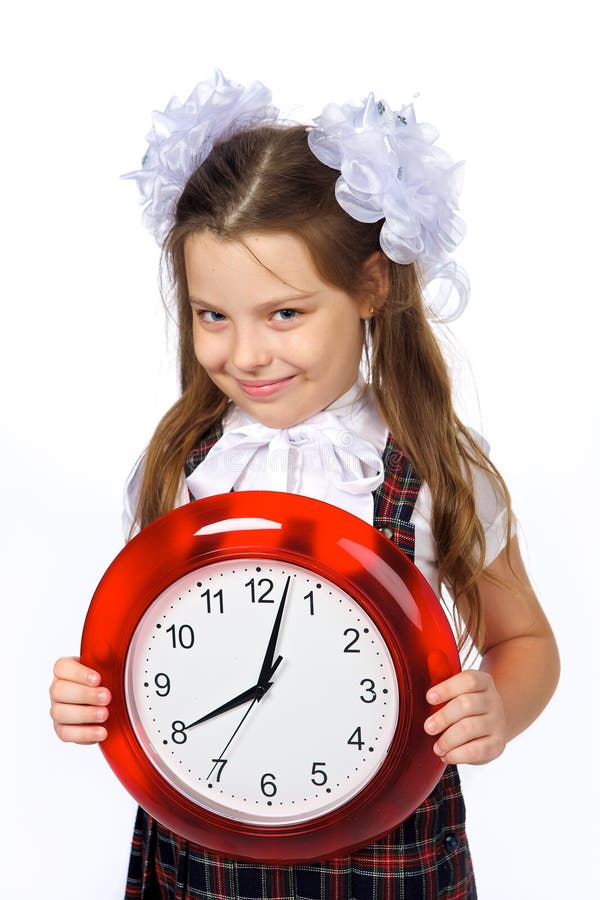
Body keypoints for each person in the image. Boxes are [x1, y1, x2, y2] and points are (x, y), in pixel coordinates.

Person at [49, 71, 560, 899]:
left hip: (390, 852)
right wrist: (94, 696)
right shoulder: (178, 467)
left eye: (283, 314)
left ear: (370, 286)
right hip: (203, 845)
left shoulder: (437, 474)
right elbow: (157, 648)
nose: (245, 354)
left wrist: (496, 709)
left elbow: (525, 644)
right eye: (214, 315)